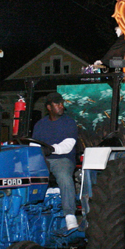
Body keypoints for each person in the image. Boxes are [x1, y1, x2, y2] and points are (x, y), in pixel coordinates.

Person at [32, 92, 79, 230]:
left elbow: (68, 145)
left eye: (61, 103)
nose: (61, 106)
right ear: (49, 107)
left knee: (64, 177)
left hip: (62, 159)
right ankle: (32, 210)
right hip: (44, 159)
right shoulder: (40, 125)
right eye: (57, 103)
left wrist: (51, 149)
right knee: (27, 176)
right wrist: (38, 151)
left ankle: (70, 215)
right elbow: (34, 144)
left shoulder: (69, 123)